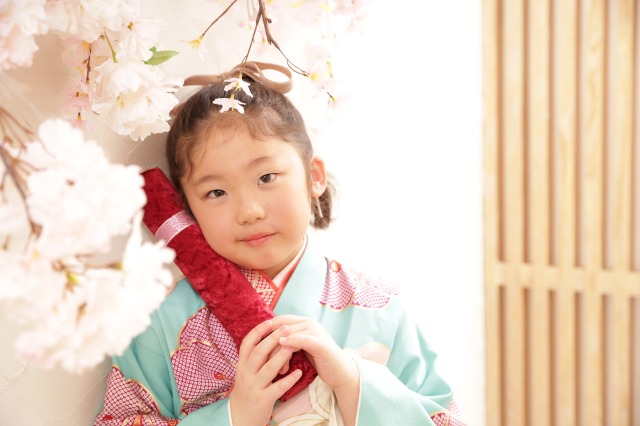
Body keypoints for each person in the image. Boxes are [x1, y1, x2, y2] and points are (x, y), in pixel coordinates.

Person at [94, 62, 465, 426]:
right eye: (216, 192)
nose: (249, 211)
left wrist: (353, 384)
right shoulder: (158, 321)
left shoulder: (381, 309)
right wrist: (235, 416)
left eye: (266, 177)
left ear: (313, 176)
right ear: (188, 207)